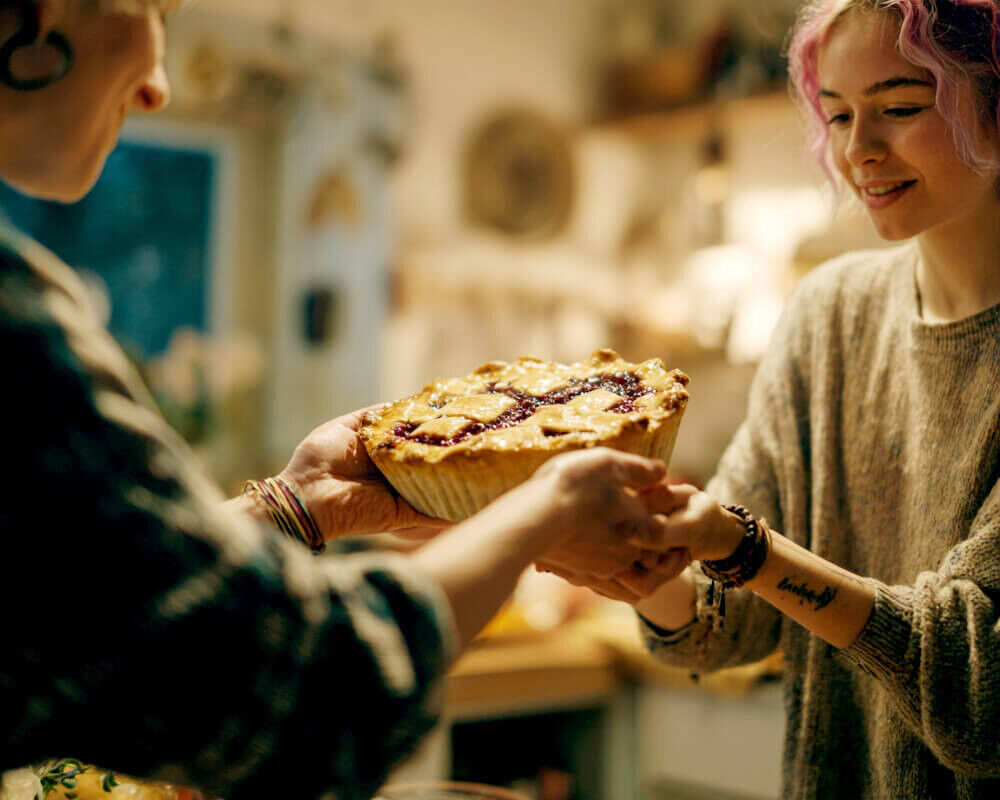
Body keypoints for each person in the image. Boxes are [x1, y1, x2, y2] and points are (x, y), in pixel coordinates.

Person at [0, 1, 688, 798]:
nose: (157, 85)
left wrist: (300, 506)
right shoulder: (15, 323)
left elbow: (94, 608)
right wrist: (548, 506)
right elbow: (304, 696)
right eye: (156, 6)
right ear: (36, 12)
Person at [604, 1, 1000, 797]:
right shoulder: (828, 315)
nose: (860, 149)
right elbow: (725, 621)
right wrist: (633, 563)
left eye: (898, 108)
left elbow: (977, 694)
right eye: (840, 114)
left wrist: (744, 545)